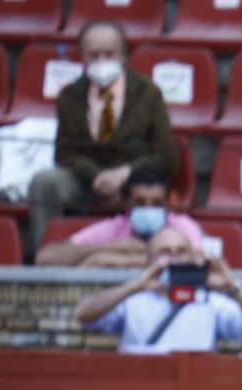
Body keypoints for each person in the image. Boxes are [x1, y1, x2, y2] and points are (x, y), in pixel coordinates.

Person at [26, 21, 179, 251]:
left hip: (134, 182)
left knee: (149, 190)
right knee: (44, 182)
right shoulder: (69, 97)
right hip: (87, 181)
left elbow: (166, 155)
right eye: (94, 55)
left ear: (123, 55)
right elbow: (65, 153)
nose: (102, 61)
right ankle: (47, 257)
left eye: (109, 54)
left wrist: (126, 174)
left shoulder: (148, 93)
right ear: (83, 57)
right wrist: (96, 176)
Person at [74, 227, 242, 355]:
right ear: (149, 260)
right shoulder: (133, 300)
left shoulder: (210, 301)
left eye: (181, 252)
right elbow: (83, 314)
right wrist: (136, 286)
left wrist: (233, 287)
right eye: (165, 252)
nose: (174, 259)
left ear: (192, 256)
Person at [33, 165, 204, 268]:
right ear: (126, 204)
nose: (148, 209)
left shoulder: (183, 226)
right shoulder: (114, 227)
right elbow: (45, 259)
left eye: (156, 203)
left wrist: (112, 260)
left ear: (167, 205)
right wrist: (114, 247)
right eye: (140, 203)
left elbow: (198, 261)